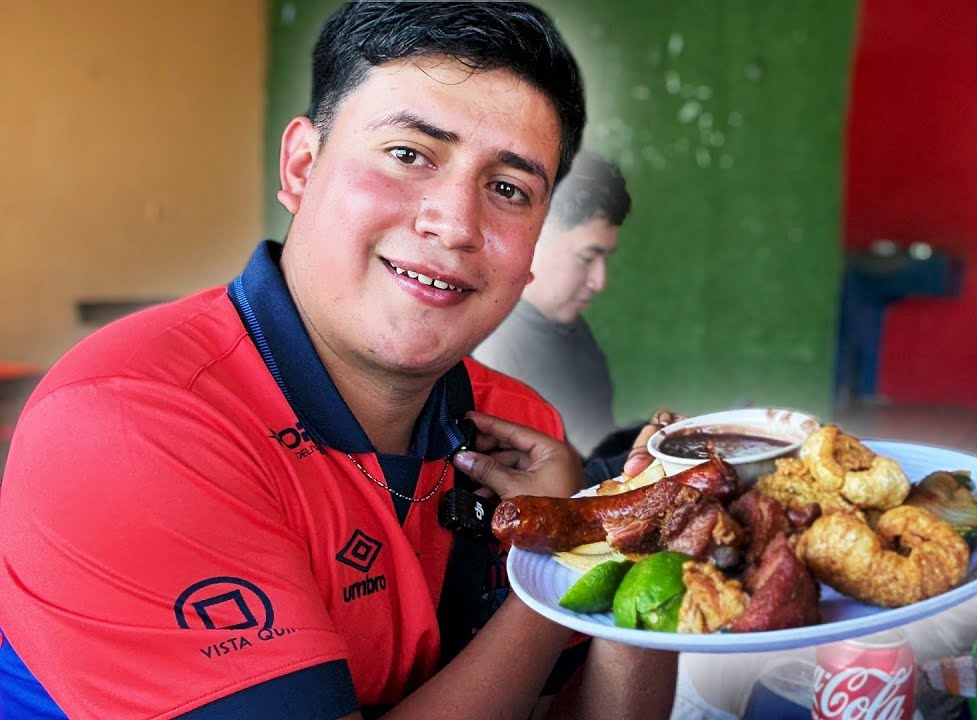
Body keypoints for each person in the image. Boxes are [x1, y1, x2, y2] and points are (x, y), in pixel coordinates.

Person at [0, 3, 676, 719]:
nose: (455, 224)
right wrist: (555, 564)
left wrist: (646, 538)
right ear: (301, 166)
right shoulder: (128, 423)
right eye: (408, 154)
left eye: (508, 189)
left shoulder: (517, 426)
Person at [472, 151, 629, 461]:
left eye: (604, 259)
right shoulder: (492, 348)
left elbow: (593, 445)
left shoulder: (568, 324)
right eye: (586, 258)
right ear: (536, 236)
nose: (599, 281)